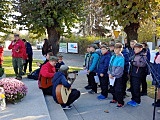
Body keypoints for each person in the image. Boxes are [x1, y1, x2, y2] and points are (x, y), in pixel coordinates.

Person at [108, 43, 125, 108]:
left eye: (117, 49)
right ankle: (114, 98)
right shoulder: (113, 56)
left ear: (120, 49)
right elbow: (110, 65)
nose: (115, 50)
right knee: (112, 88)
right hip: (111, 75)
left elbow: (119, 68)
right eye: (115, 48)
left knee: (118, 89)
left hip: (117, 76)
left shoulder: (121, 58)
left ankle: (120, 102)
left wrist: (113, 74)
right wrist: (109, 73)